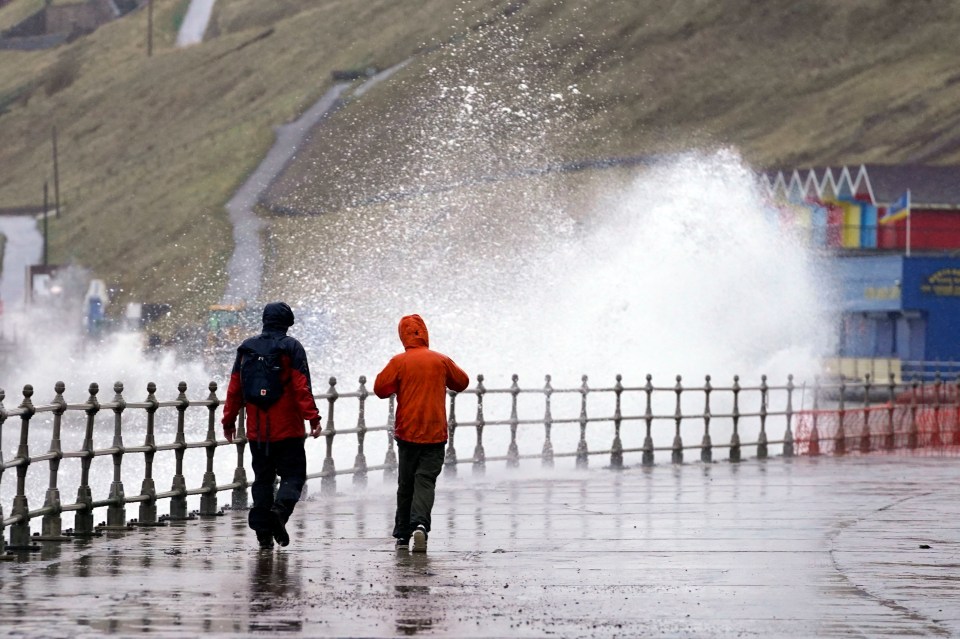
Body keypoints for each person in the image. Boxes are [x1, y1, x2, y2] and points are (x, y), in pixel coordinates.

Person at [221, 302, 322, 550]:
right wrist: (314, 418)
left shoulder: (247, 348)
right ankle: (279, 512)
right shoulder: (292, 347)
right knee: (293, 476)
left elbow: (235, 388)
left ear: (264, 320)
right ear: (287, 323)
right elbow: (301, 386)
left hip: (257, 431)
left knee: (263, 480)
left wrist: (228, 420)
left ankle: (263, 535)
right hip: (288, 429)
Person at [374, 314, 469, 552]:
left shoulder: (399, 361)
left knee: (406, 484)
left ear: (403, 335)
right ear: (425, 333)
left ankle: (402, 536)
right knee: (425, 481)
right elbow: (462, 382)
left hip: (407, 432)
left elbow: (380, 389)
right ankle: (420, 526)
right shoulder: (441, 360)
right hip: (435, 433)